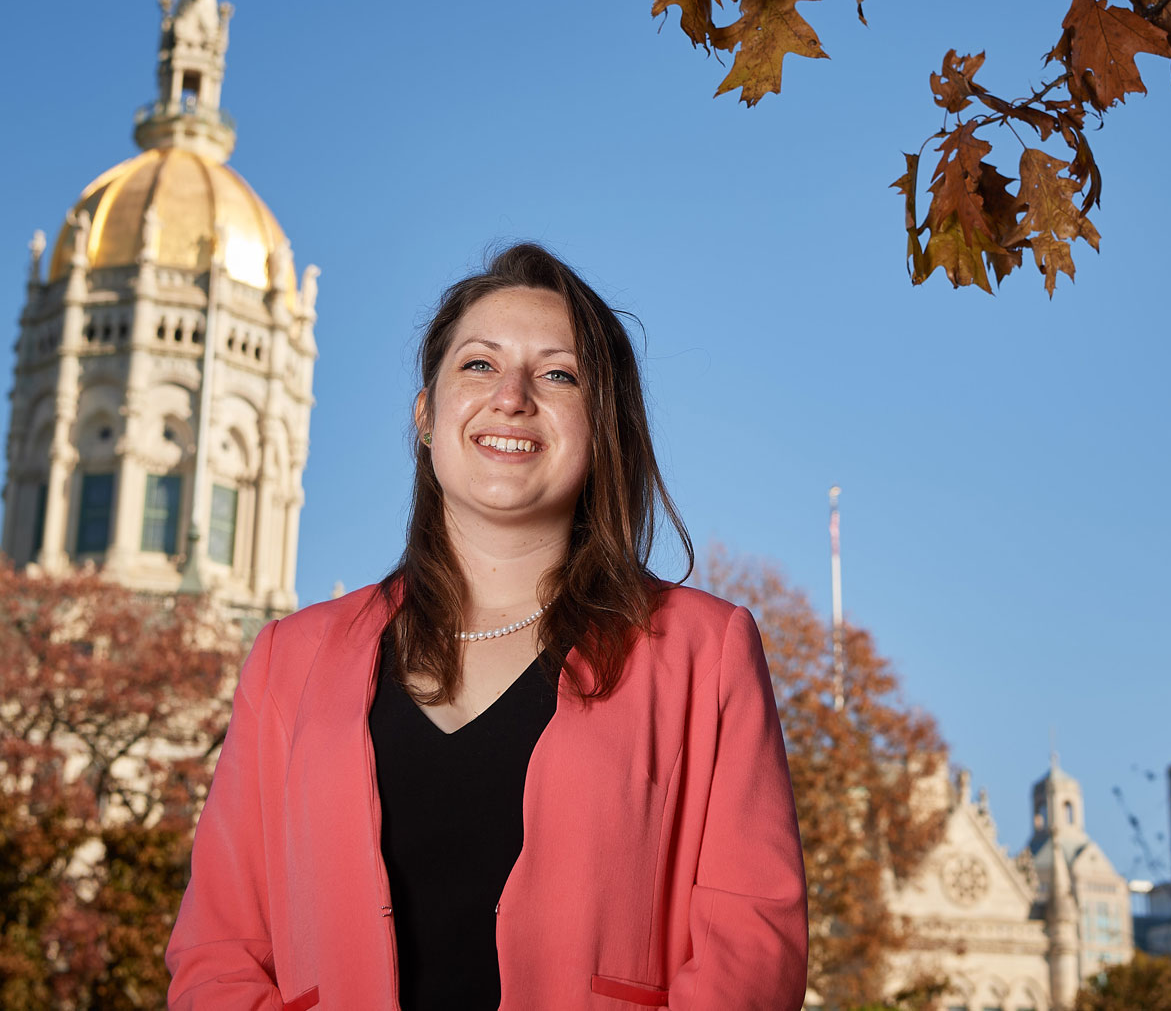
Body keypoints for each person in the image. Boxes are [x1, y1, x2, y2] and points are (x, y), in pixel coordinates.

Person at [166, 244, 807, 1010]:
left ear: (603, 427)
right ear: (426, 415)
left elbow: (751, 948)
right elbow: (220, 951)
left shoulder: (705, 650)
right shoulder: (287, 661)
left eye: (558, 374)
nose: (512, 396)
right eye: (478, 365)